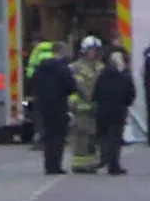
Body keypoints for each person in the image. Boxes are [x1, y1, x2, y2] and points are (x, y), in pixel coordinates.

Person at [28, 40, 75, 175]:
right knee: (59, 138)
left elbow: (34, 83)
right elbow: (71, 86)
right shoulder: (63, 68)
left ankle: (48, 165)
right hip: (59, 106)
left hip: (43, 105)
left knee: (48, 137)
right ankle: (56, 166)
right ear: (62, 52)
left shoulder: (41, 67)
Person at [93, 47, 137, 175]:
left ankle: (104, 159)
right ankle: (114, 165)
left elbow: (96, 93)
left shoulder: (102, 76)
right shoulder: (125, 77)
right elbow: (131, 94)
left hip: (103, 110)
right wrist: (125, 104)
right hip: (118, 111)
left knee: (103, 137)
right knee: (115, 139)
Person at [68, 36, 103, 173]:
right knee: (81, 137)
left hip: (96, 108)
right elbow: (80, 87)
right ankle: (79, 164)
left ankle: (91, 163)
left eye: (96, 50)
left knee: (93, 138)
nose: (94, 53)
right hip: (81, 108)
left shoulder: (101, 67)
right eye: (92, 50)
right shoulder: (75, 67)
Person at [24, 40, 54, 151]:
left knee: (39, 117)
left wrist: (28, 91)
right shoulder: (53, 50)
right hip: (53, 93)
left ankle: (41, 141)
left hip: (39, 91)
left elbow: (30, 73)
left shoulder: (36, 52)